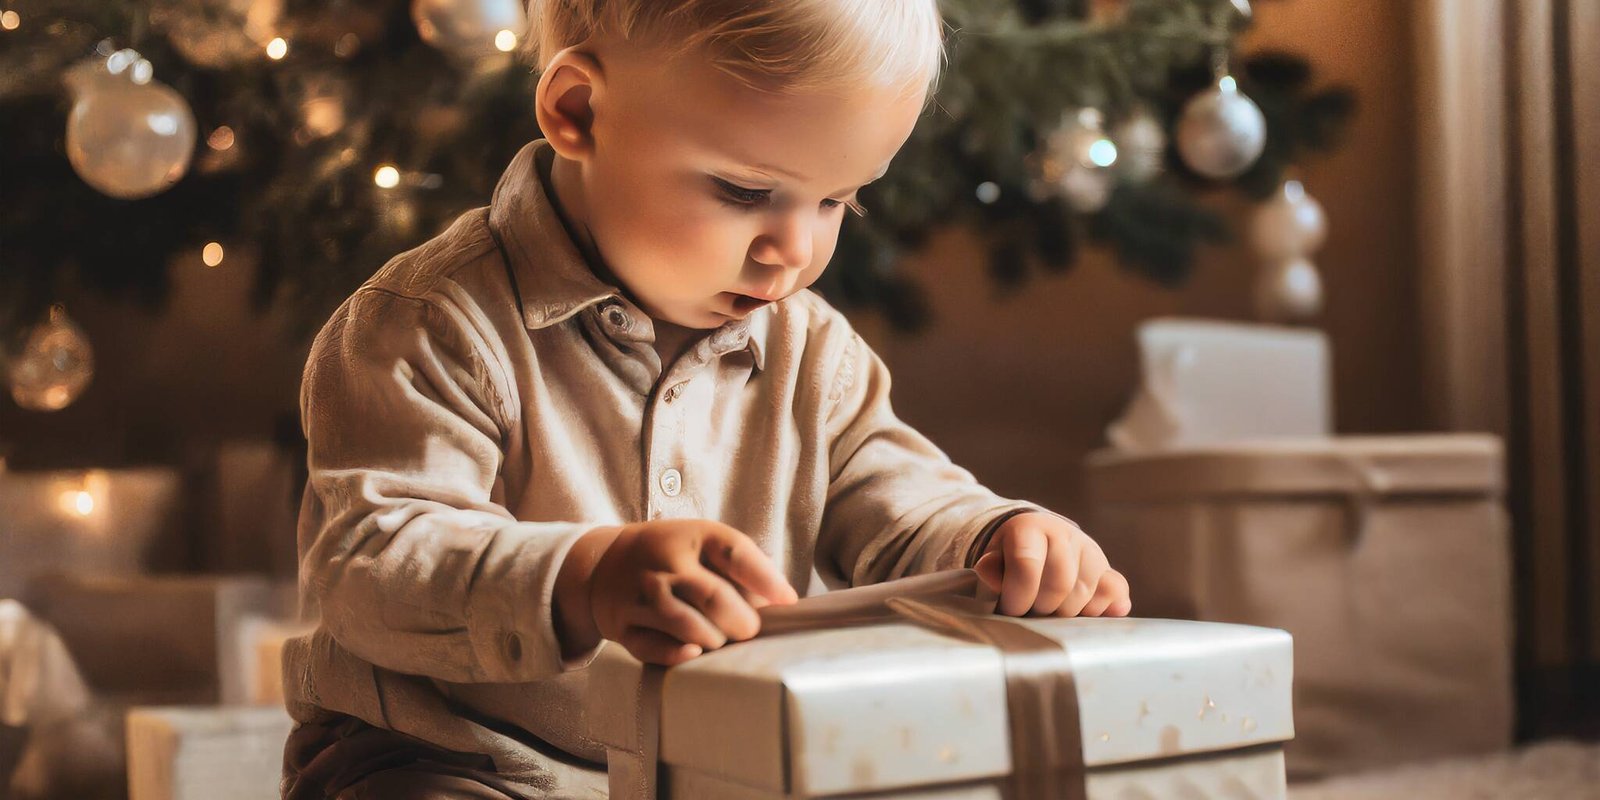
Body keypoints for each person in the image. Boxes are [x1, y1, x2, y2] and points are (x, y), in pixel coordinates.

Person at [281, 1, 1131, 797]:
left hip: (712, 765)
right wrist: (583, 580)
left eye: (837, 200)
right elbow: (374, 564)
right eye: (745, 192)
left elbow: (900, 504)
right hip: (449, 759)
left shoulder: (815, 354)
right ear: (578, 111)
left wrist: (999, 539)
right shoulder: (429, 324)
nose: (792, 252)